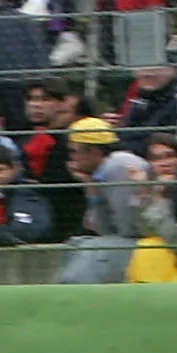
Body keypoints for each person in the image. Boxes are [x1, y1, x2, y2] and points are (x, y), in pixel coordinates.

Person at [56, 117, 147, 284]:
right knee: (77, 243)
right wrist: (91, 186)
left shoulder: (119, 166)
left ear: (93, 151)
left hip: (145, 242)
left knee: (92, 249)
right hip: (125, 239)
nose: (71, 159)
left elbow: (129, 228)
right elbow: (103, 229)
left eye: (74, 152)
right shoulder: (102, 173)